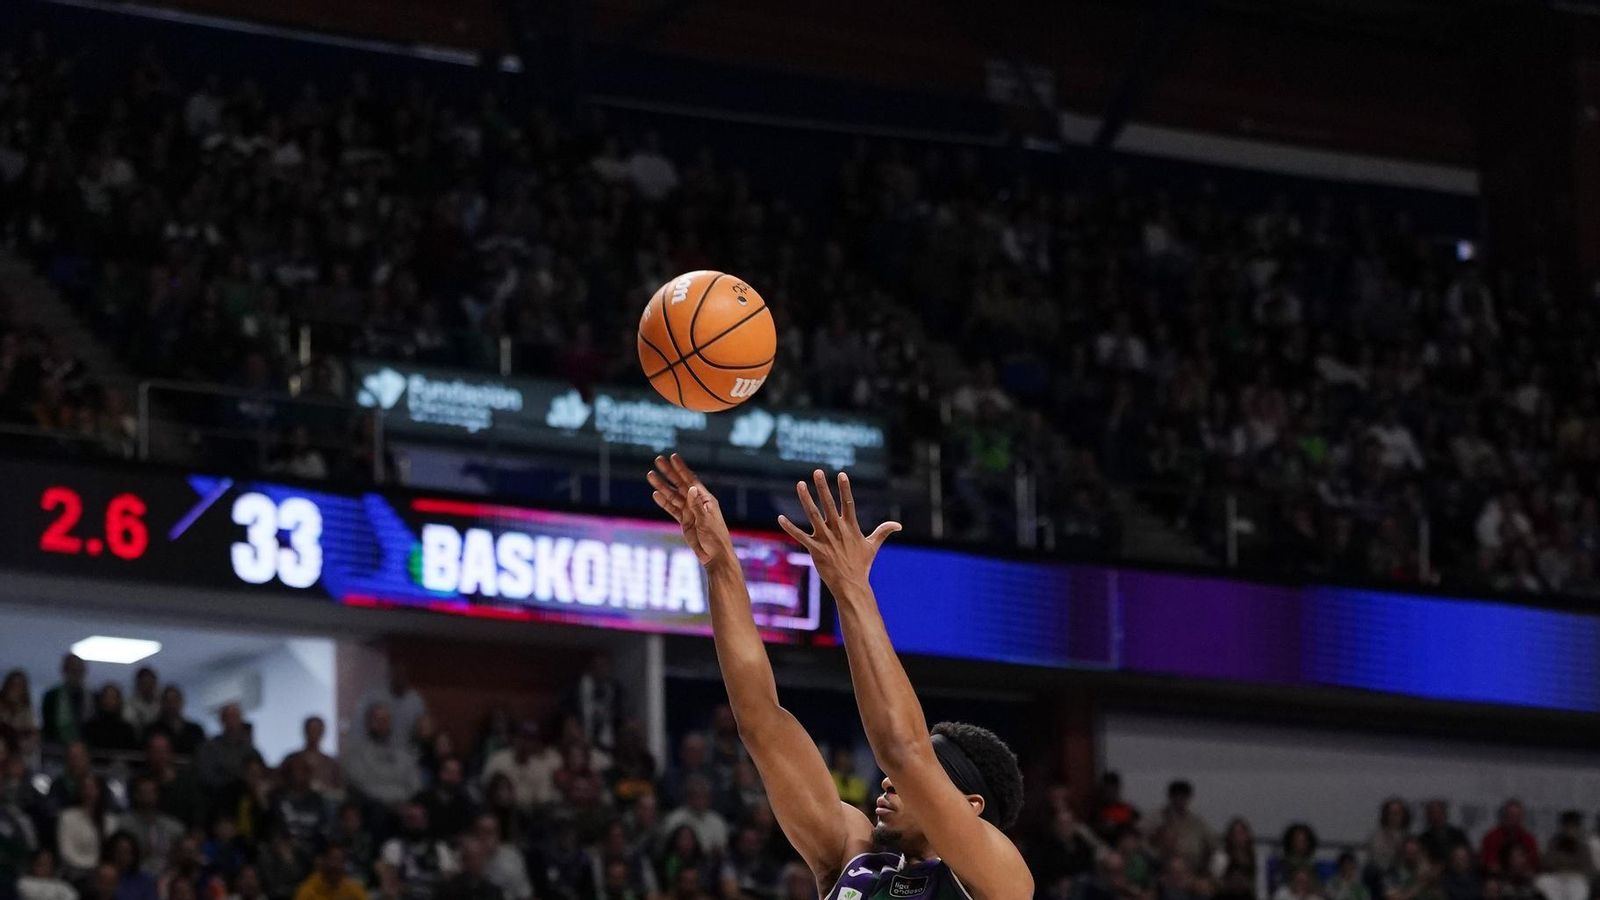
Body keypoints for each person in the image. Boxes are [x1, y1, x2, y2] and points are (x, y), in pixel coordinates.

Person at [647, 456, 1031, 900]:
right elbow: (761, 721)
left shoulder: (1001, 881)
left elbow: (903, 752)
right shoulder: (854, 857)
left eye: (931, 774)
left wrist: (852, 587)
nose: (888, 782)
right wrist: (722, 566)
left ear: (970, 806)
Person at [342, 704, 422, 810]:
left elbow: (415, 783)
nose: (382, 723)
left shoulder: (403, 752)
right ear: (368, 723)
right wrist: (391, 801)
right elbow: (361, 785)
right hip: (373, 806)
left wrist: (404, 802)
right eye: (378, 719)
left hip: (405, 805)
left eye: (386, 719)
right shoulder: (356, 753)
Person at [377, 803, 458, 900]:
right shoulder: (394, 846)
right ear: (404, 822)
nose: (415, 823)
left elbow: (449, 880)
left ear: (426, 821)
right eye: (410, 819)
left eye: (419, 818)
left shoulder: (440, 848)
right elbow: (389, 885)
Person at [480, 722, 558, 812]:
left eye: (531, 740)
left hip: (529, 815)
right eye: (523, 738)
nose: (526, 743)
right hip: (498, 812)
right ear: (515, 739)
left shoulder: (540, 767)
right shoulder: (498, 760)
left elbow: (543, 800)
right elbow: (485, 790)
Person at [115, 777, 184, 875]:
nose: (148, 796)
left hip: (166, 877)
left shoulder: (173, 827)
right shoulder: (124, 824)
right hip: (134, 875)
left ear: (157, 795)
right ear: (136, 795)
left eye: (151, 792)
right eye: (143, 792)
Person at [138, 733, 202, 828]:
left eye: (163, 751)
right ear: (149, 754)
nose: (159, 756)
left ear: (171, 753)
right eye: (155, 752)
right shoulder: (142, 782)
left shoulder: (187, 783)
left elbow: (196, 815)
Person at [659, 776, 729, 858]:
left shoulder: (717, 821)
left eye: (704, 796)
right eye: (696, 795)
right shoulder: (675, 819)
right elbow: (667, 849)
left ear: (709, 799)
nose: (700, 801)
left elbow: (722, 849)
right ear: (688, 797)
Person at [273, 756, 330, 856]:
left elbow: (322, 828)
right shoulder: (278, 797)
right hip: (287, 848)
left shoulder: (316, 799)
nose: (297, 775)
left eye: (302, 770)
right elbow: (276, 827)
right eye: (293, 771)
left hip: (312, 848)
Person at [356, 667, 427, 746]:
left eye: (403, 676)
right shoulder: (377, 696)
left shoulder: (415, 701)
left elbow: (423, 726)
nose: (400, 679)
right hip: (379, 746)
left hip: (406, 748)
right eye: (397, 676)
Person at [566, 654, 623, 753]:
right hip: (583, 742)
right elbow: (567, 713)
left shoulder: (615, 688)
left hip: (607, 742)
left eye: (606, 666)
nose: (603, 670)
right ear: (591, 667)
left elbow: (619, 714)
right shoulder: (576, 687)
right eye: (598, 666)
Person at [56, 776, 109, 880]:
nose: (89, 792)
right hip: (75, 872)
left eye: (93, 788)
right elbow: (66, 852)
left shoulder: (110, 819)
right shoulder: (67, 817)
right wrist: (91, 867)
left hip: (103, 873)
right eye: (85, 787)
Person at [1157, 781, 1216, 874]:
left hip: (1195, 866)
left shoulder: (1197, 822)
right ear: (1171, 797)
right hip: (1167, 866)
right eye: (1177, 796)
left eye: (1184, 797)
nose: (1180, 800)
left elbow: (1213, 842)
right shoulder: (1158, 818)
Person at [196, 704, 259, 791]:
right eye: (229, 717)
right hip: (220, 795)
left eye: (236, 717)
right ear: (222, 720)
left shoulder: (248, 748)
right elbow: (207, 777)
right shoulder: (210, 748)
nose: (232, 721)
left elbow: (259, 769)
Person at [414, 757, 476, 841]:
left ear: (460, 777)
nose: (451, 776)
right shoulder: (423, 798)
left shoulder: (465, 803)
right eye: (448, 772)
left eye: (456, 773)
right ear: (440, 773)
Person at [471, 815, 532, 900]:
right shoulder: (471, 857)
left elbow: (525, 892)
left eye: (491, 832)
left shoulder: (512, 854)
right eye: (482, 832)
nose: (487, 837)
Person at [280, 718, 343, 799]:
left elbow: (339, 790)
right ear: (305, 731)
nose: (314, 734)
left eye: (317, 730)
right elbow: (280, 782)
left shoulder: (331, 763)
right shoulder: (292, 759)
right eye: (311, 730)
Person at [40, 655, 90, 747]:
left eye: (79, 670)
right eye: (73, 670)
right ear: (65, 671)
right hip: (56, 747)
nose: (76, 674)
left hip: (84, 748)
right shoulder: (52, 696)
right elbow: (48, 724)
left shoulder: (92, 697)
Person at [435, 837, 504, 900]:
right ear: (463, 860)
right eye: (471, 858)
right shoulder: (449, 890)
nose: (476, 862)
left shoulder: (493, 891)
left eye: (479, 857)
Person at [1481, 801, 1540, 875]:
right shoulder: (1491, 837)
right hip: (1498, 878)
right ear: (1505, 816)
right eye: (1511, 815)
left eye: (1518, 816)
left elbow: (1533, 863)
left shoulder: (1529, 839)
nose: (1514, 819)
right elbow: (1489, 863)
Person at [145, 688, 205, 756]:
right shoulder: (152, 730)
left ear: (182, 702)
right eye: (168, 701)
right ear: (162, 703)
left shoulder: (195, 730)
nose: (172, 705)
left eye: (175, 700)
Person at [293, 844, 366, 900]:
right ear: (323, 862)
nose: (335, 865)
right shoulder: (307, 891)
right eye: (331, 859)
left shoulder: (353, 889)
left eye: (339, 861)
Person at [82, 686, 140, 754]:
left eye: (113, 698)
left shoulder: (127, 729)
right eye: (106, 697)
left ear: (119, 701)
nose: (109, 701)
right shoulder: (90, 727)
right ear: (101, 700)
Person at [0, 670, 39, 761]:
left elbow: (33, 733)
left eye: (19, 686)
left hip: (19, 752)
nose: (15, 689)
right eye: (13, 685)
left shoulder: (28, 710)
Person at [123, 669, 161, 738]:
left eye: (151, 683)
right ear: (138, 684)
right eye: (145, 683)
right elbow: (130, 722)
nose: (148, 686)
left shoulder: (162, 703)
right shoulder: (129, 704)